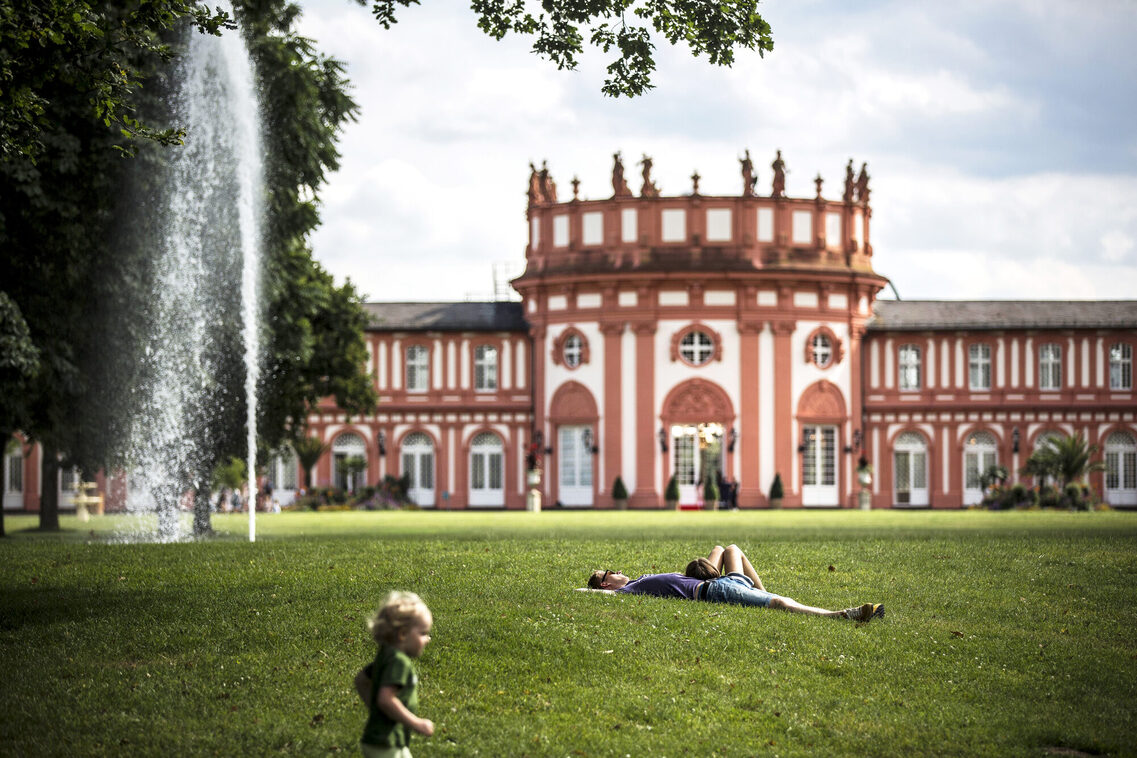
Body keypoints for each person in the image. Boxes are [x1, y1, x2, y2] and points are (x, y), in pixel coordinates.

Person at [588, 544, 884, 622]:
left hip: (720, 582)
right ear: (604, 585)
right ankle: (841, 615)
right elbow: (588, 593)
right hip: (714, 590)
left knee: (729, 548)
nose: (615, 571)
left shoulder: (639, 580)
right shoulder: (627, 590)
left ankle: (763, 595)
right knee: (780, 603)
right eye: (608, 572)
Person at [354, 591, 435, 758]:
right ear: (403, 634)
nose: (427, 639)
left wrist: (374, 708)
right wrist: (417, 723)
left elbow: (361, 680)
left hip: (385, 740)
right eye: (423, 633)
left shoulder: (386, 655)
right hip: (385, 743)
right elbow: (386, 699)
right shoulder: (399, 662)